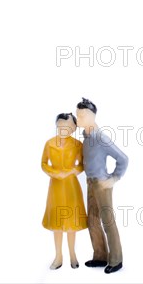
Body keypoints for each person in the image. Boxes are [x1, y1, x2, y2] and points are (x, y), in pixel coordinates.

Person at [76, 98, 129, 274]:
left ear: (92, 116)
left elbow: (123, 158)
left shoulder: (100, 138)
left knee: (107, 221)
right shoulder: (86, 137)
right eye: (77, 115)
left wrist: (114, 178)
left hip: (102, 184)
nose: (79, 118)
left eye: (82, 115)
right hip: (90, 182)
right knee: (92, 220)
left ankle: (116, 259)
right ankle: (100, 256)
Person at [41, 113, 87, 270]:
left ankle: (73, 254)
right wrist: (53, 173)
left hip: (71, 187)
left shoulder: (77, 145)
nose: (63, 129)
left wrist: (72, 171)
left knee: (71, 223)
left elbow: (81, 164)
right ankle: (58, 256)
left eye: (67, 126)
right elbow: (43, 163)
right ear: (56, 125)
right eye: (60, 125)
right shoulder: (49, 144)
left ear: (73, 129)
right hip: (55, 187)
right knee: (57, 223)